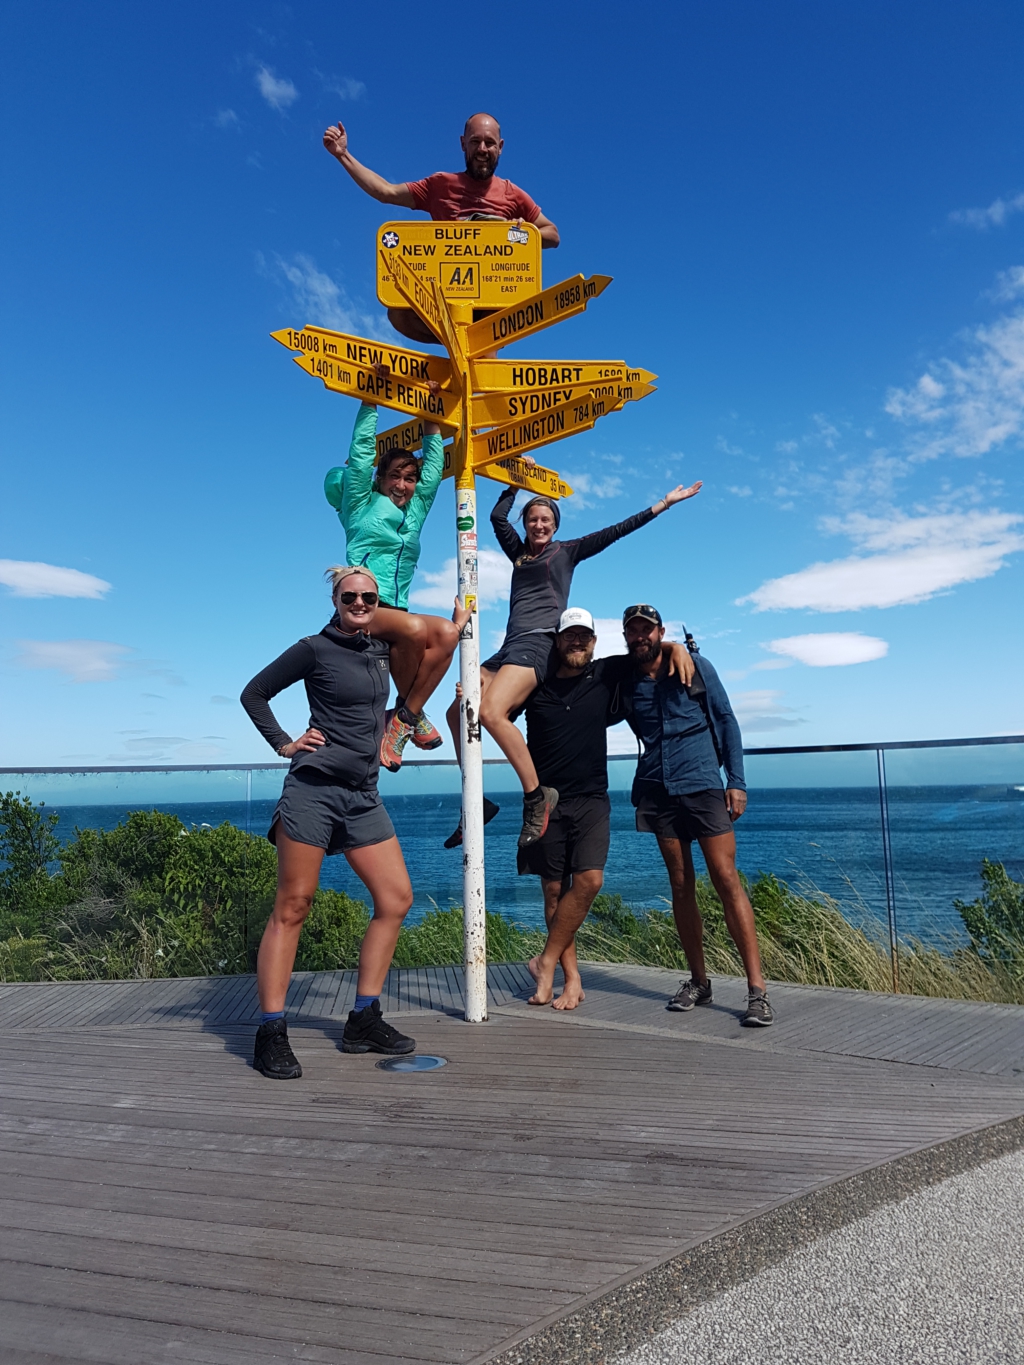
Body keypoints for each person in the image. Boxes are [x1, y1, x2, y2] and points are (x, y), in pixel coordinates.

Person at [444, 479, 703, 850]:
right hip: (509, 647)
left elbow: (615, 531)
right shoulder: (519, 555)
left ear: (555, 525)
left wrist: (663, 503)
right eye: (532, 519)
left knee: (490, 713)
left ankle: (536, 797)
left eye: (545, 519)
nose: (538, 525)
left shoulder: (566, 551)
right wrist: (514, 484)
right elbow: (497, 517)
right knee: (457, 712)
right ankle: (477, 799)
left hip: (539, 643)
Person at [240, 567, 422, 1080]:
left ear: (378, 601)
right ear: (336, 599)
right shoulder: (313, 648)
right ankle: (270, 1031)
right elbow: (254, 693)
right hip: (314, 789)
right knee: (293, 906)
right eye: (351, 596)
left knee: (395, 899)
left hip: (363, 793)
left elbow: (430, 644)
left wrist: (454, 624)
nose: (360, 602)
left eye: (369, 596)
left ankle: (363, 1019)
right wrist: (284, 743)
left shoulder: (380, 648)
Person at [517, 608, 693, 1010]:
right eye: (570, 636)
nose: (577, 642)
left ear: (594, 642)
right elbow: (494, 709)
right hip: (545, 801)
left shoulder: (605, 674)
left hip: (592, 799)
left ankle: (544, 962)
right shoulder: (534, 686)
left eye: (585, 637)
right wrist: (468, 694)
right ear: (557, 640)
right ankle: (569, 980)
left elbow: (645, 650)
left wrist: (676, 647)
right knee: (553, 892)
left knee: (590, 881)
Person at [609, 605, 775, 1027]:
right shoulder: (624, 677)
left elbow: (725, 718)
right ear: (626, 636)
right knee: (681, 884)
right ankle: (699, 982)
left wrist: (736, 781)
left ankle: (758, 991)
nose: (640, 637)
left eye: (648, 631)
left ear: (660, 631)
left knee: (725, 878)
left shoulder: (695, 665)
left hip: (702, 784)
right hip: (657, 789)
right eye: (634, 631)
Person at [322, 113, 560, 342]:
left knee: (479, 370)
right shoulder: (441, 184)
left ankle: (466, 356)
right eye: (475, 141)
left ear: (501, 147)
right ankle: (455, 350)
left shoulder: (513, 194)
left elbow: (552, 234)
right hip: (445, 304)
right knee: (399, 312)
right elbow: (386, 191)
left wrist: (517, 235)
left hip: (491, 310)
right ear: (463, 144)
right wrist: (342, 155)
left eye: (490, 143)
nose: (482, 149)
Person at [325, 380, 461, 772]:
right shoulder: (360, 504)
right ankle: (409, 718)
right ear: (379, 480)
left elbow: (434, 470)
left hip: (397, 610)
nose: (402, 485)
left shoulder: (415, 510)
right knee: (417, 630)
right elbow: (361, 451)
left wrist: (431, 415)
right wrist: (371, 398)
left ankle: (401, 718)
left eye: (409, 478)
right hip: (364, 608)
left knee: (449, 633)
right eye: (394, 477)